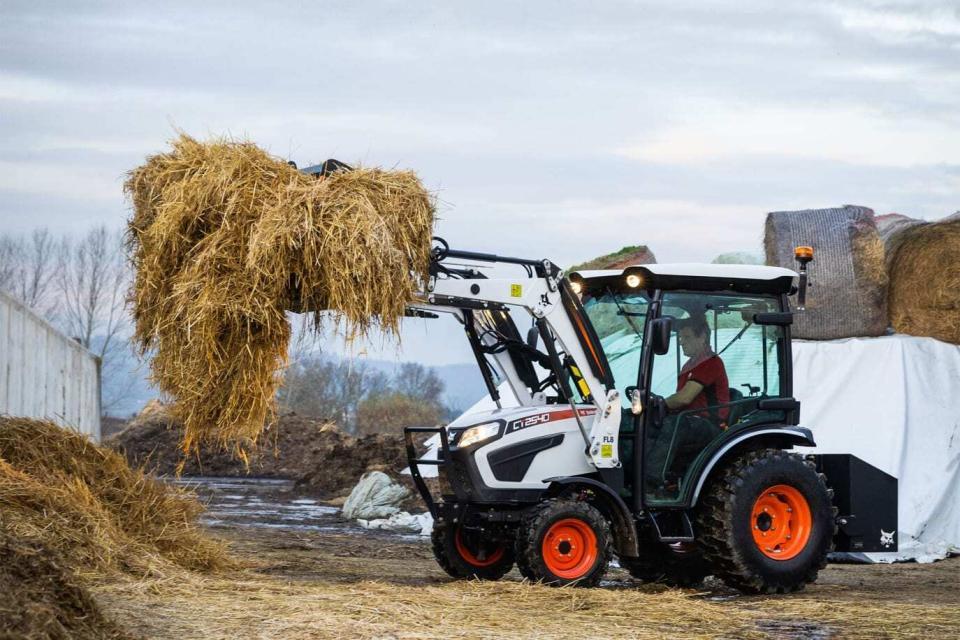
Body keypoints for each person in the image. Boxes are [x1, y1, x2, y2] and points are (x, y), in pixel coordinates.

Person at [645, 314, 729, 497]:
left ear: (702, 338)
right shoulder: (690, 365)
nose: (682, 342)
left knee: (674, 425)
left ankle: (649, 483)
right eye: (680, 337)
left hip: (710, 425)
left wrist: (658, 405)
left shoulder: (710, 362)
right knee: (648, 425)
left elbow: (684, 398)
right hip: (692, 419)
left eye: (687, 337)